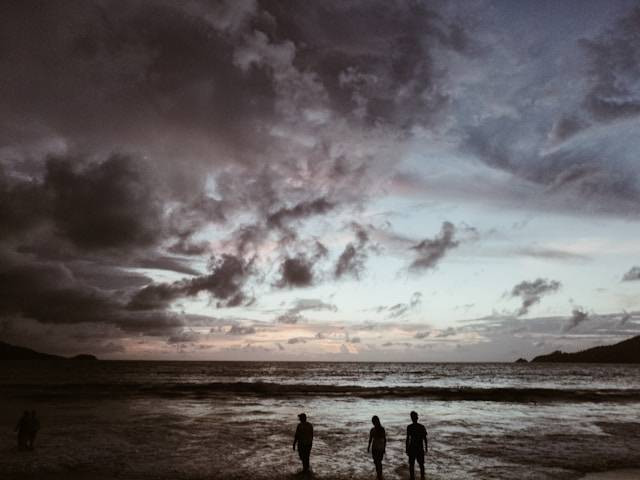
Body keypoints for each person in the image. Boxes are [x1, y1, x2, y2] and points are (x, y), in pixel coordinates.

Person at [406, 411, 428, 480]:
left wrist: (406, 448)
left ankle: (413, 478)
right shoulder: (421, 427)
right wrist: (426, 447)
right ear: (417, 418)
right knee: (421, 465)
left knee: (412, 465)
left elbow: (407, 439)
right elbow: (425, 438)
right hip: (419, 448)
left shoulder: (409, 427)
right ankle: (422, 477)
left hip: (412, 448)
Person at [367, 415, 386, 480]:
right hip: (374, 448)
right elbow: (370, 439)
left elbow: (384, 439)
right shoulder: (372, 430)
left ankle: (379, 475)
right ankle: (379, 474)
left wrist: (384, 448)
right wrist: (368, 447)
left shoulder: (382, 429)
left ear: (377, 421)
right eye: (373, 422)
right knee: (376, 462)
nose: (374, 423)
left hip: (380, 448)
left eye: (374, 421)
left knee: (379, 462)